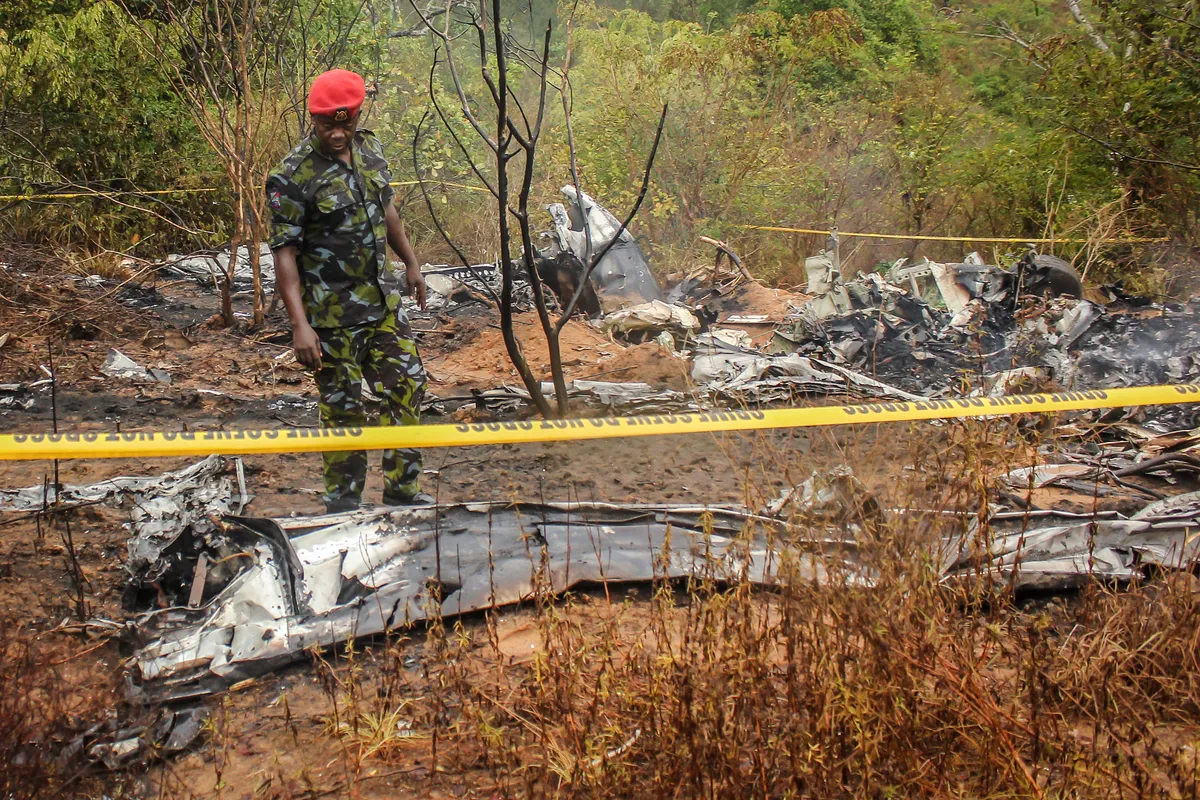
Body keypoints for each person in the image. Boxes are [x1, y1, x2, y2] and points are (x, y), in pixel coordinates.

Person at [266, 68, 431, 513]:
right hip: (331, 317)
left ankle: (403, 492)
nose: (337, 134)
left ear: (357, 115)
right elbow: (285, 255)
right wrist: (299, 326)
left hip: (382, 303)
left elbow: (388, 211)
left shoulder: (369, 150)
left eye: (346, 123)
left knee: (408, 388)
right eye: (327, 126)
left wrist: (411, 264)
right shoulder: (291, 177)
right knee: (344, 412)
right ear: (312, 119)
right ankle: (343, 507)